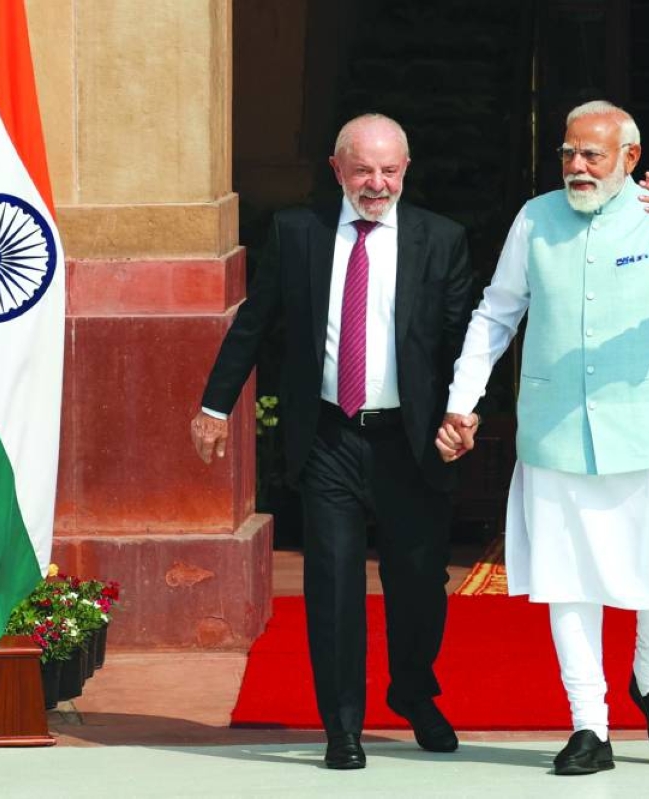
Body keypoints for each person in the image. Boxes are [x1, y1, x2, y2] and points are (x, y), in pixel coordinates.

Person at [437, 100, 649, 776]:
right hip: (557, 431)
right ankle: (589, 723)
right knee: (567, 579)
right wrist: (464, 400)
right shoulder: (535, 218)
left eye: (593, 156)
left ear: (629, 159)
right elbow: (498, 311)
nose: (577, 167)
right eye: (568, 153)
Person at [191, 113, 472, 770]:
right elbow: (254, 324)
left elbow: (465, 340)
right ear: (337, 169)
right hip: (328, 435)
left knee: (419, 582)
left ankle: (410, 689)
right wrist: (212, 406)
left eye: (389, 170)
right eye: (363, 169)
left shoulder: (442, 239)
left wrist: (465, 414)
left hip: (410, 440)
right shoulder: (298, 233)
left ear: (406, 170)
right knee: (333, 582)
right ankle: (341, 724)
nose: (376, 183)